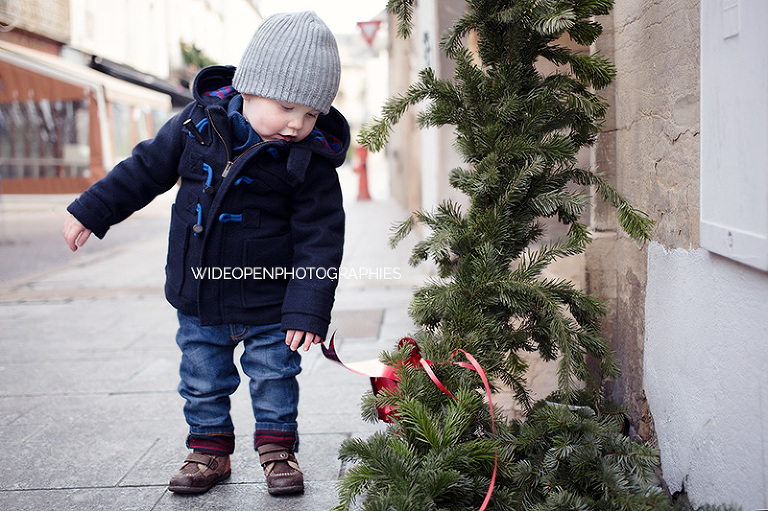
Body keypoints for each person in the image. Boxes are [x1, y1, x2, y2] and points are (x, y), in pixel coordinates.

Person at [62, 11, 348, 496]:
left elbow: (321, 238)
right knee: (202, 377)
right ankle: (209, 452)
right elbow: (145, 169)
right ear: (250, 87)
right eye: (286, 108)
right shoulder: (197, 126)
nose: (298, 124)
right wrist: (93, 209)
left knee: (275, 375)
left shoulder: (308, 162)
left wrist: (307, 309)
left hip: (270, 303)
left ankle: (278, 450)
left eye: (312, 114)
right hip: (200, 293)